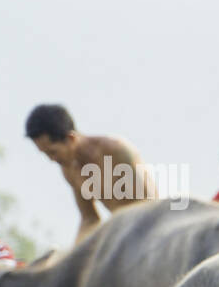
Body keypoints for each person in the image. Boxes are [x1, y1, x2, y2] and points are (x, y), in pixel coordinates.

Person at [25, 104, 156, 243]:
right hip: (122, 236)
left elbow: (151, 204)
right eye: (45, 154)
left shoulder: (116, 150)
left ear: (71, 138)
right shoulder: (69, 170)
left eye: (53, 152)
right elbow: (90, 219)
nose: (51, 160)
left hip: (149, 231)